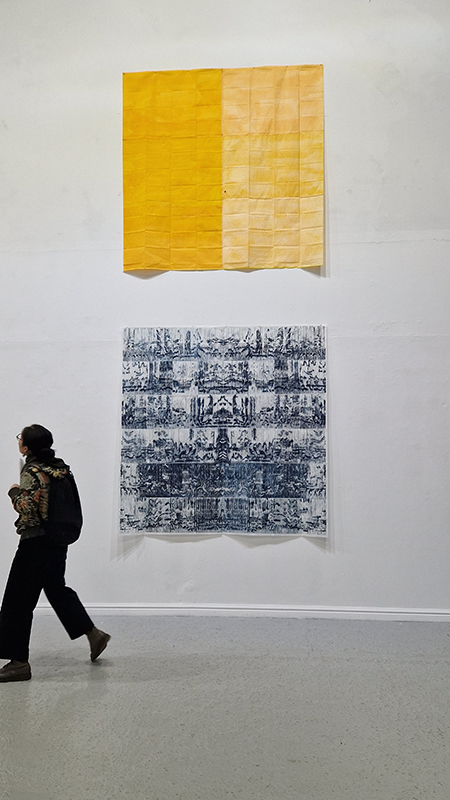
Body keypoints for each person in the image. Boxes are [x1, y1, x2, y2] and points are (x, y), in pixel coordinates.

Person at [0, 425, 110, 682]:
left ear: (26, 447)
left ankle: (18, 663)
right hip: (58, 541)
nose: (19, 441)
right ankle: (93, 634)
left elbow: (27, 507)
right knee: (56, 589)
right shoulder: (61, 469)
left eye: (20, 438)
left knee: (17, 601)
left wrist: (14, 492)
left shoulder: (32, 471)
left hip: (35, 543)